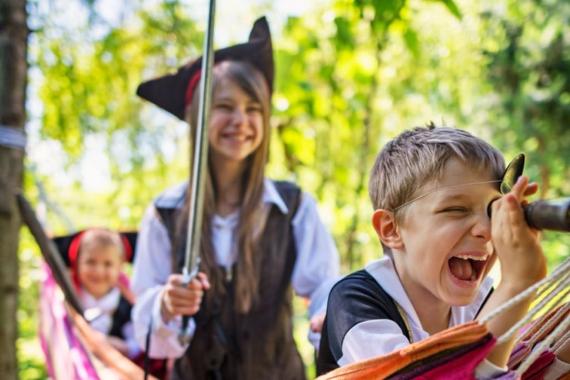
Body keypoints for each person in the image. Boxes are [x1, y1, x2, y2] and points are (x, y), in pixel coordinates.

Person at [131, 16, 340, 379]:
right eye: (225, 107)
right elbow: (146, 328)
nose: (240, 120)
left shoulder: (293, 208)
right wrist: (166, 307)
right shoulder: (166, 213)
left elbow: (323, 287)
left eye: (254, 108)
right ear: (198, 116)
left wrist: (330, 318)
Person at [317, 124, 550, 377]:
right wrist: (518, 283)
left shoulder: (481, 301)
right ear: (391, 229)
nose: (486, 229)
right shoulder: (354, 302)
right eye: (457, 210)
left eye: (493, 211)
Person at [60, 228, 141, 359]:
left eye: (108, 264)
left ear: (120, 267)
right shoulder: (67, 300)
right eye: (90, 262)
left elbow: (138, 343)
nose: (98, 271)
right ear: (77, 263)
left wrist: (123, 347)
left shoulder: (127, 305)